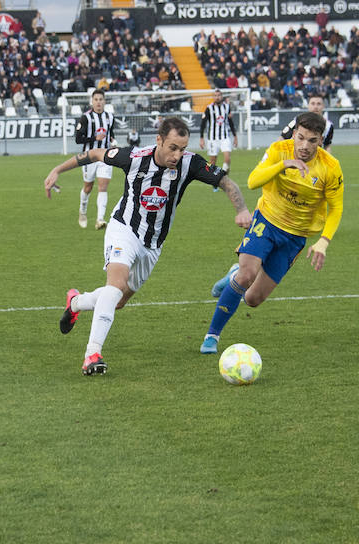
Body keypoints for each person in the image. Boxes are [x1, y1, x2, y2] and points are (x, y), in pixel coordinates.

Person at [44, 117, 250, 375]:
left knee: (116, 301)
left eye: (182, 148)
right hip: (124, 229)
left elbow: (226, 182)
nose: (178, 154)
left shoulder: (190, 163)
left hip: (153, 244)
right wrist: (57, 170)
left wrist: (241, 209)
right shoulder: (133, 157)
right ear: (159, 140)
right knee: (115, 286)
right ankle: (92, 354)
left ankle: (75, 302)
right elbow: (96, 153)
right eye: (173, 147)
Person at [200, 111, 343, 355]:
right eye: (300, 137)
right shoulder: (279, 149)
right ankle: (212, 335)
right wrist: (283, 165)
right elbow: (253, 180)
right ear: (294, 133)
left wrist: (323, 242)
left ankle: (232, 275)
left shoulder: (330, 167)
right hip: (266, 221)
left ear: (321, 140)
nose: (304, 146)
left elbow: (336, 207)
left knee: (253, 299)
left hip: (295, 237)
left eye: (312, 140)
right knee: (247, 276)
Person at [75, 88, 116, 229]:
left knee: (103, 187)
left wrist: (113, 141)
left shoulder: (110, 117)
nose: (98, 102)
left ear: (104, 101)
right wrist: (94, 138)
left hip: (104, 156)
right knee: (88, 187)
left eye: (101, 99)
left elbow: (111, 134)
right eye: (96, 100)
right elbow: (78, 139)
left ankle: (100, 219)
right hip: (89, 157)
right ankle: (83, 210)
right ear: (92, 102)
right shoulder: (85, 118)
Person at [199, 89, 237, 174]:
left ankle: (223, 176)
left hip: (225, 137)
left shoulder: (227, 107)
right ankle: (214, 184)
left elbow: (231, 122)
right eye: (215, 95)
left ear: (222, 96)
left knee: (227, 158)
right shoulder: (209, 108)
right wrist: (201, 138)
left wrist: (235, 136)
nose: (217, 97)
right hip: (212, 139)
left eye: (219, 95)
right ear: (213, 97)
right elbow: (203, 124)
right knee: (212, 162)